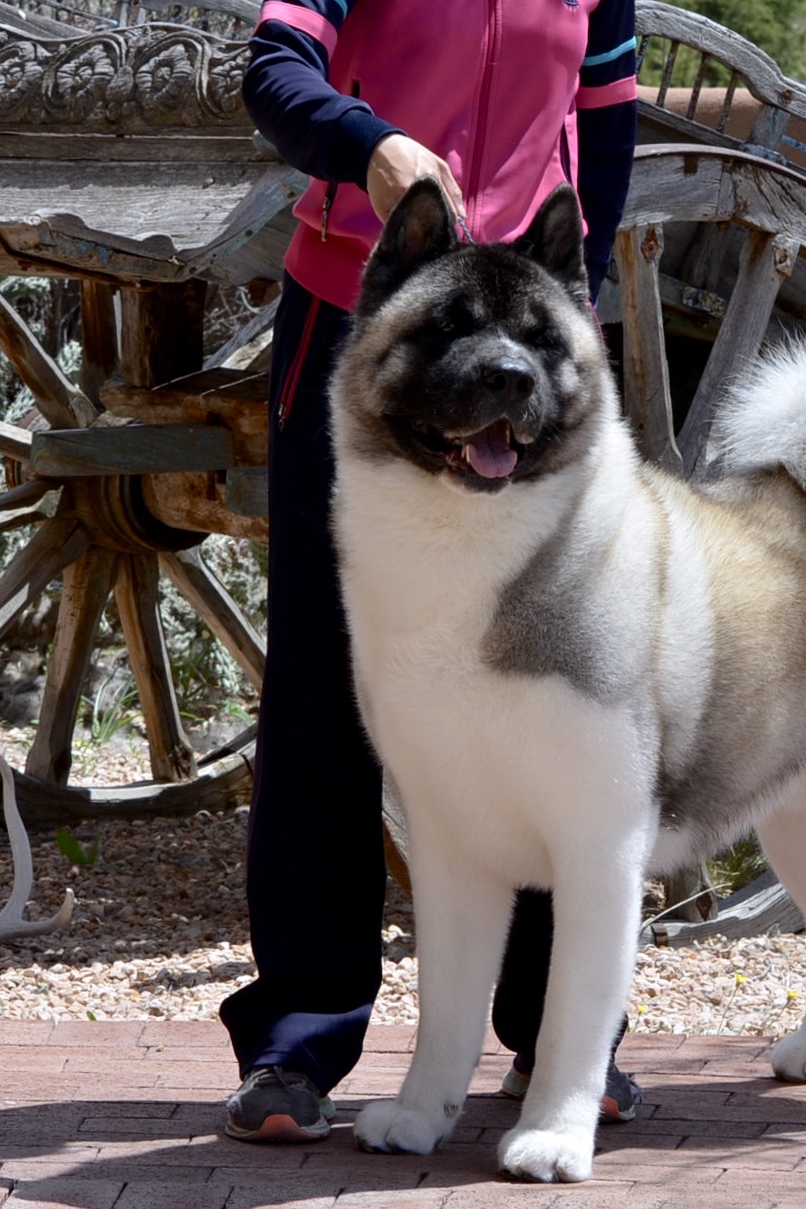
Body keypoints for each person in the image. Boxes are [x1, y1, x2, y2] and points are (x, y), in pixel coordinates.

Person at [217, 0, 640, 1143]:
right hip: (370, 328)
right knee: (327, 679)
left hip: (526, 345)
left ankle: (563, 1035)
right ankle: (298, 1040)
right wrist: (371, 147)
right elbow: (273, 71)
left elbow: (606, 117)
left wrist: (573, 297)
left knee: (553, 686)